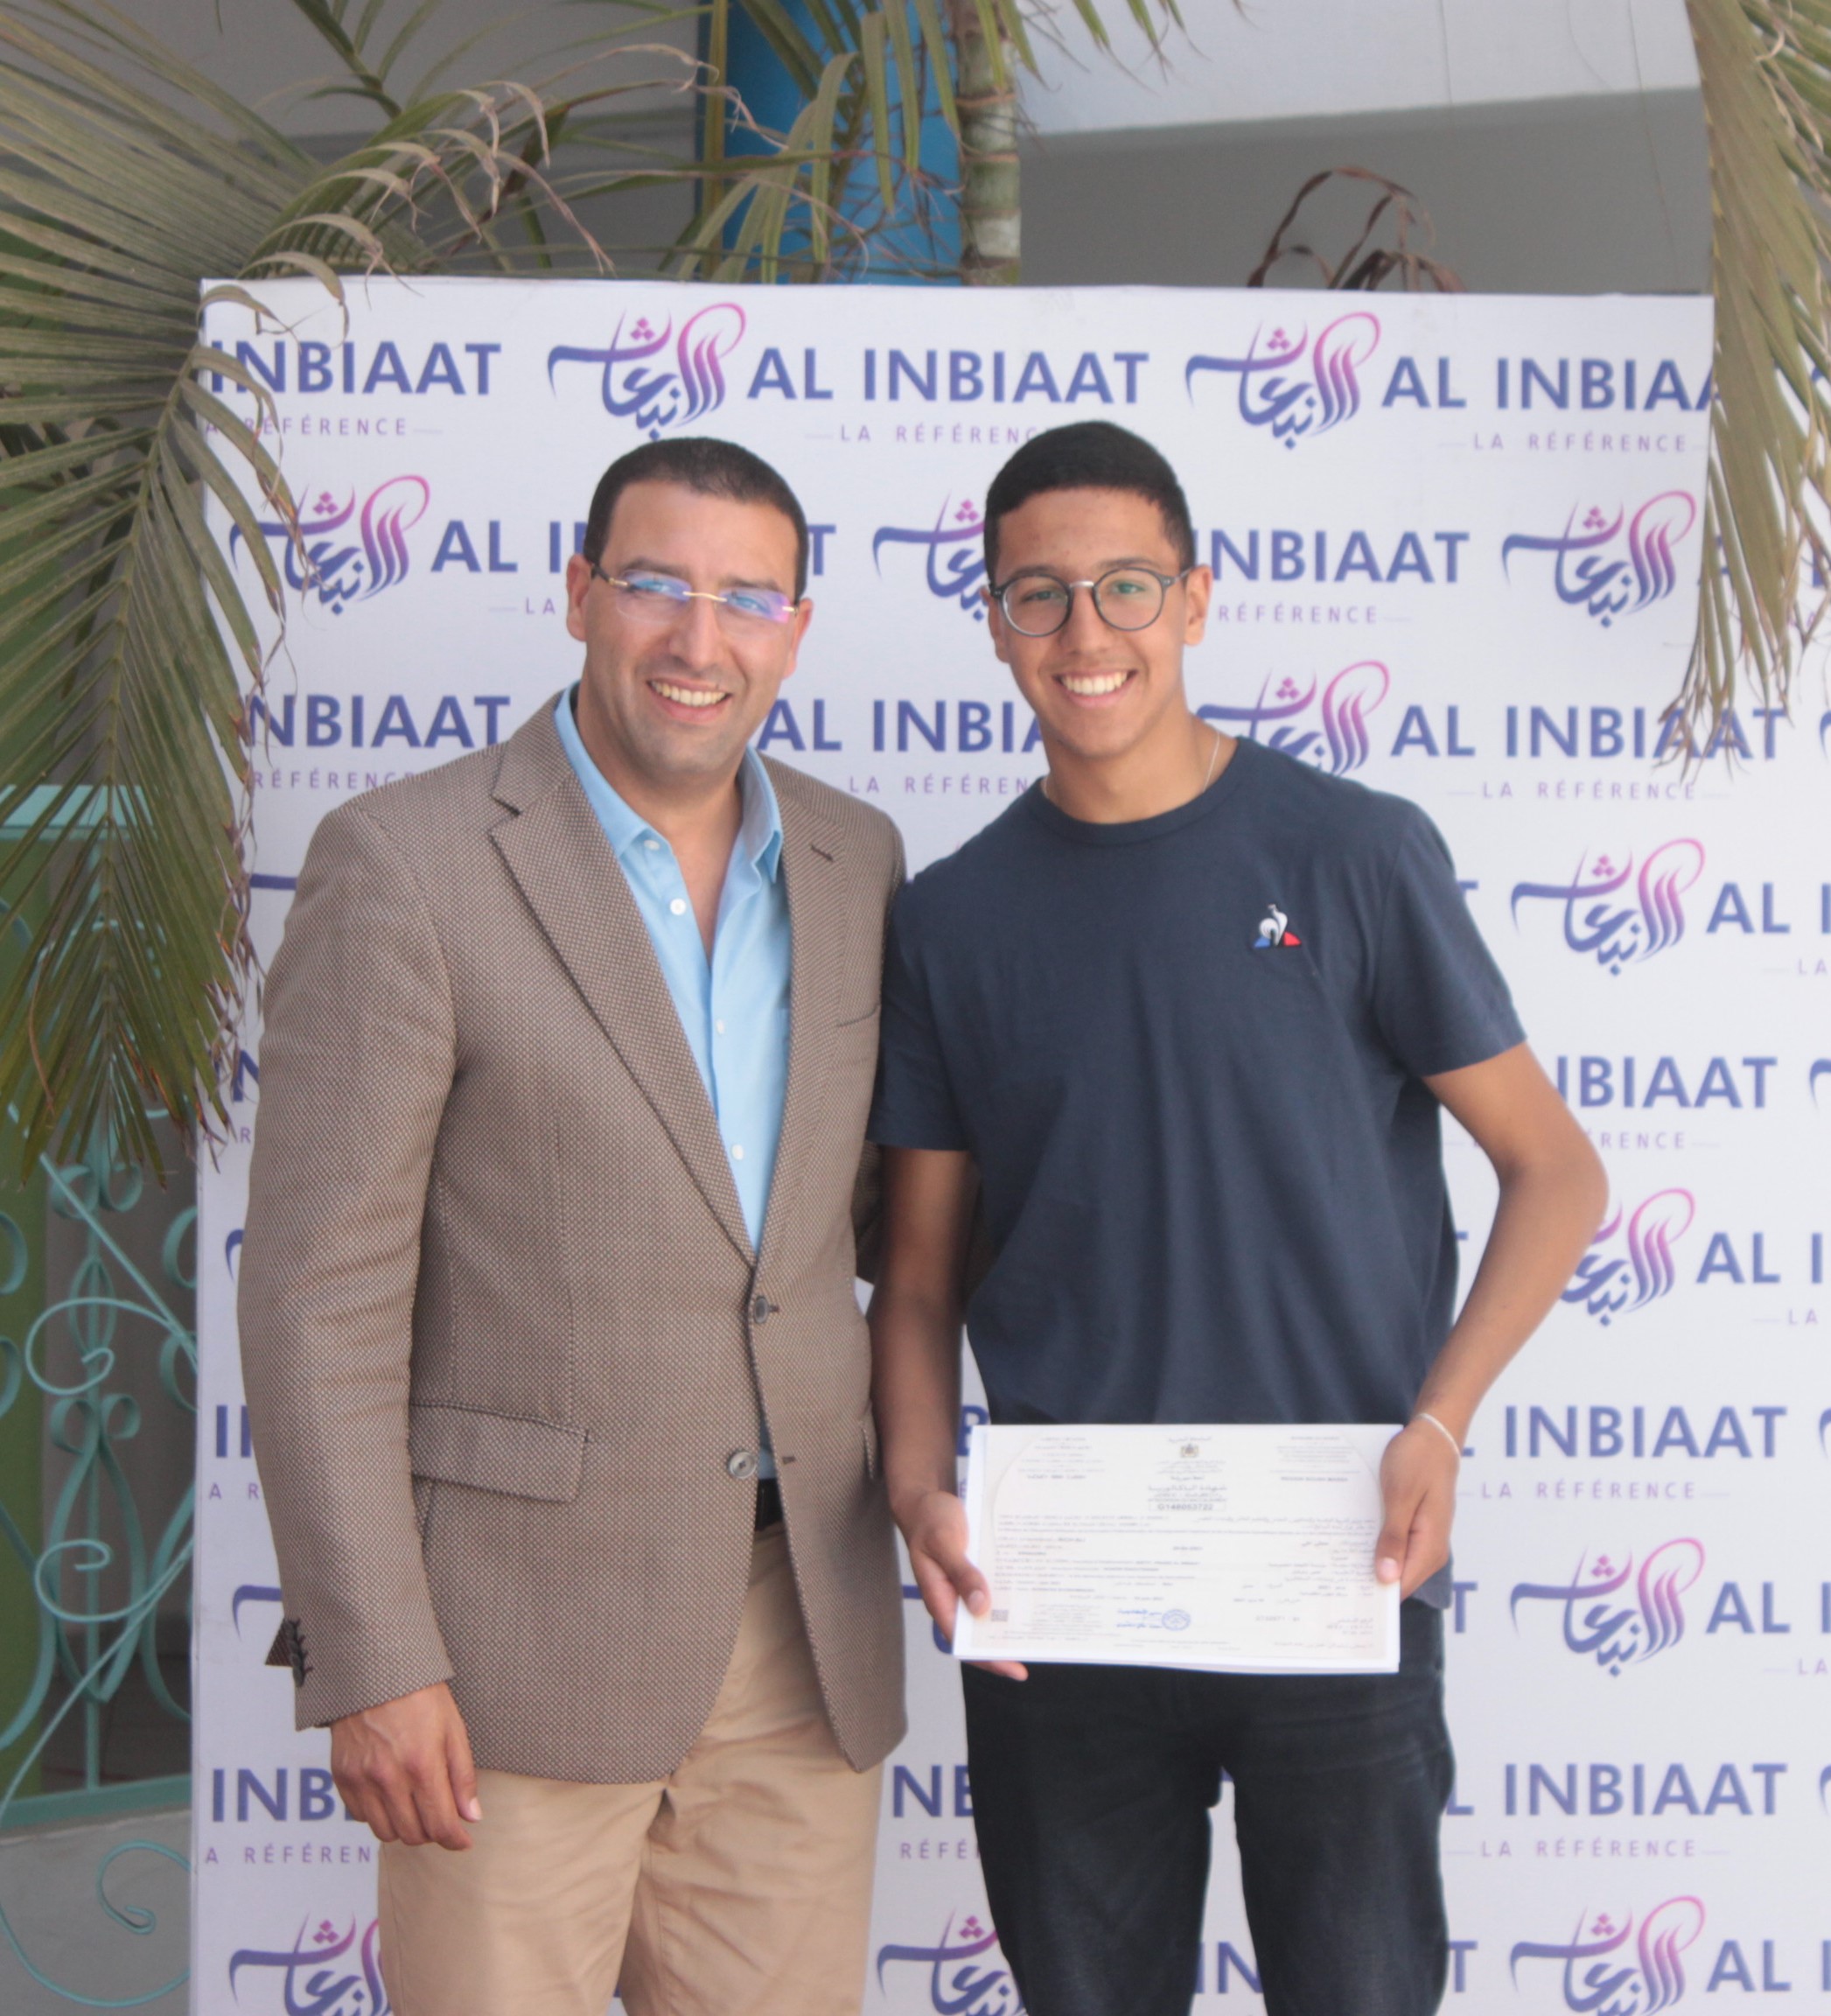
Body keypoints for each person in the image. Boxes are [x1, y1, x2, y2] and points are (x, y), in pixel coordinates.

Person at [866, 420, 1607, 2016]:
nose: (1085, 631)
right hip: (1065, 1588)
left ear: (1195, 599)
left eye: (1126, 586)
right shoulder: (947, 920)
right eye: (1038, 594)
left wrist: (1440, 1423)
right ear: (993, 621)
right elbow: (916, 1279)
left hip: (1333, 1558)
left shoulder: (1352, 853)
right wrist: (919, 1488)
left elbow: (1553, 1171)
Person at [239, 436, 906, 2016]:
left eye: (748, 599)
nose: (699, 639)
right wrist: (374, 1656)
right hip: (508, 1659)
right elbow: (318, 1300)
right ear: (579, 594)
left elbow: (870, 1230)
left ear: (797, 631)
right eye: (657, 584)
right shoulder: (405, 864)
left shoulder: (856, 860)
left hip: (797, 1642)